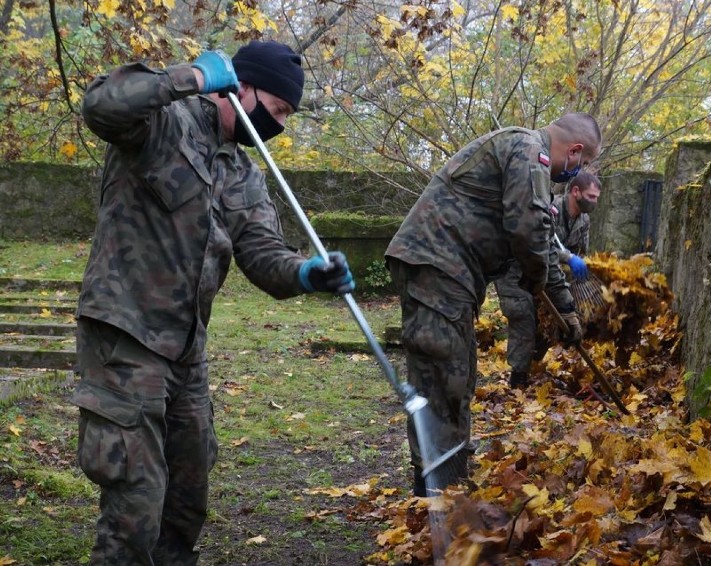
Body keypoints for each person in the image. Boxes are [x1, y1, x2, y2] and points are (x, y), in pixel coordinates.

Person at [71, 40, 355, 565]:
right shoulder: (162, 123)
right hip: (125, 336)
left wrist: (307, 274)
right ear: (241, 87)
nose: (280, 126)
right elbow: (101, 105)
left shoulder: (242, 172)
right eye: (277, 110)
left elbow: (264, 256)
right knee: (136, 499)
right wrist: (189, 77)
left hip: (186, 350)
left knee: (187, 496)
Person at [385, 112, 602, 495]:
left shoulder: (528, 155)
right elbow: (529, 230)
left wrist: (562, 304)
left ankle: (449, 477)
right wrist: (547, 292)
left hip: (450, 273)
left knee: (459, 374)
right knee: (443, 376)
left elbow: (541, 238)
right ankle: (434, 492)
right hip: (435, 264)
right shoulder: (527, 149)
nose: (577, 172)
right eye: (581, 166)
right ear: (575, 150)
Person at [495, 171, 603, 388]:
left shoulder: (584, 220)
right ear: (575, 192)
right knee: (524, 317)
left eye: (597, 198)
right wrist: (568, 258)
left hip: (549, 276)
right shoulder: (549, 211)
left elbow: (580, 253)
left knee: (550, 322)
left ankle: (531, 365)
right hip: (516, 272)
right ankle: (518, 379)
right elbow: (541, 245)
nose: (595, 202)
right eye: (591, 196)